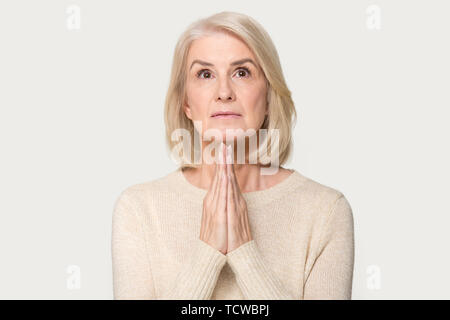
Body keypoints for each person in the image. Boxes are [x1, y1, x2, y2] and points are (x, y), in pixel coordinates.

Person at [111, 11, 355, 300]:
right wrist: (207, 253)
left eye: (242, 72)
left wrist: (244, 253)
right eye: (205, 74)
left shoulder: (325, 211)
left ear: (268, 96)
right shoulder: (139, 210)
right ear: (186, 102)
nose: (224, 92)